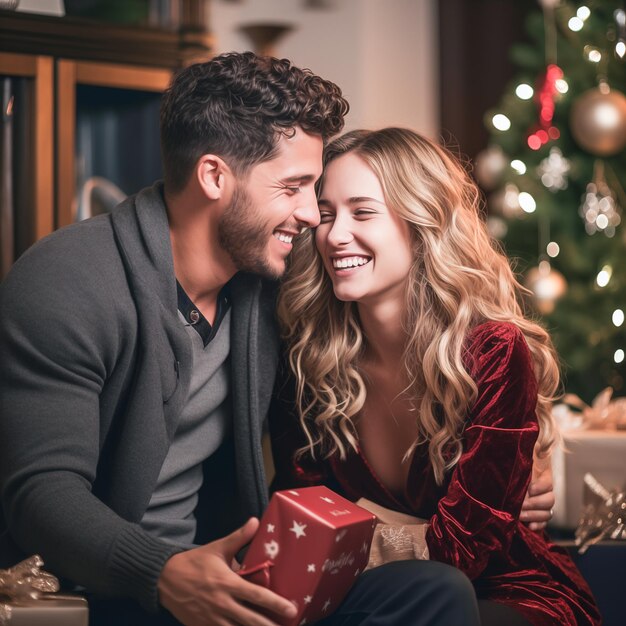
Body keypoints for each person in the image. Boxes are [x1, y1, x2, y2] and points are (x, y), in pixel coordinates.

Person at [0, 52, 552, 625]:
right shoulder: (66, 280)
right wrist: (162, 573)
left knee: (432, 592)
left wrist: (526, 471)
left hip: (241, 580)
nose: (315, 217)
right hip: (109, 590)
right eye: (294, 188)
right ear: (215, 176)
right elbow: (39, 494)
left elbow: (423, 329)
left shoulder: (271, 279)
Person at [271, 127, 601, 626]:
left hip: (508, 592)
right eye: (327, 213)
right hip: (372, 600)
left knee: (440, 595)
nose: (335, 235)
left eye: (363, 212)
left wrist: (354, 532)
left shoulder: (492, 351)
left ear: (421, 222)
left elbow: (460, 552)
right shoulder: (308, 356)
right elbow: (303, 518)